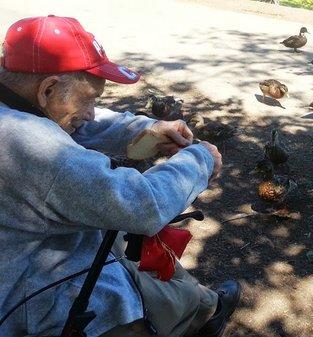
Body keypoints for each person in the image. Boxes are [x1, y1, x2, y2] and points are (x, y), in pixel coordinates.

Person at [0, 15, 241, 337]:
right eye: (90, 98)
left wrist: (146, 130)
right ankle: (199, 316)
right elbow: (141, 205)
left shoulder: (17, 102)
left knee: (149, 273)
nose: (89, 112)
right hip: (26, 294)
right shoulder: (30, 146)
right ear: (48, 89)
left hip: (21, 251)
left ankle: (203, 308)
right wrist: (199, 160)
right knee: (122, 295)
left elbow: (84, 121)